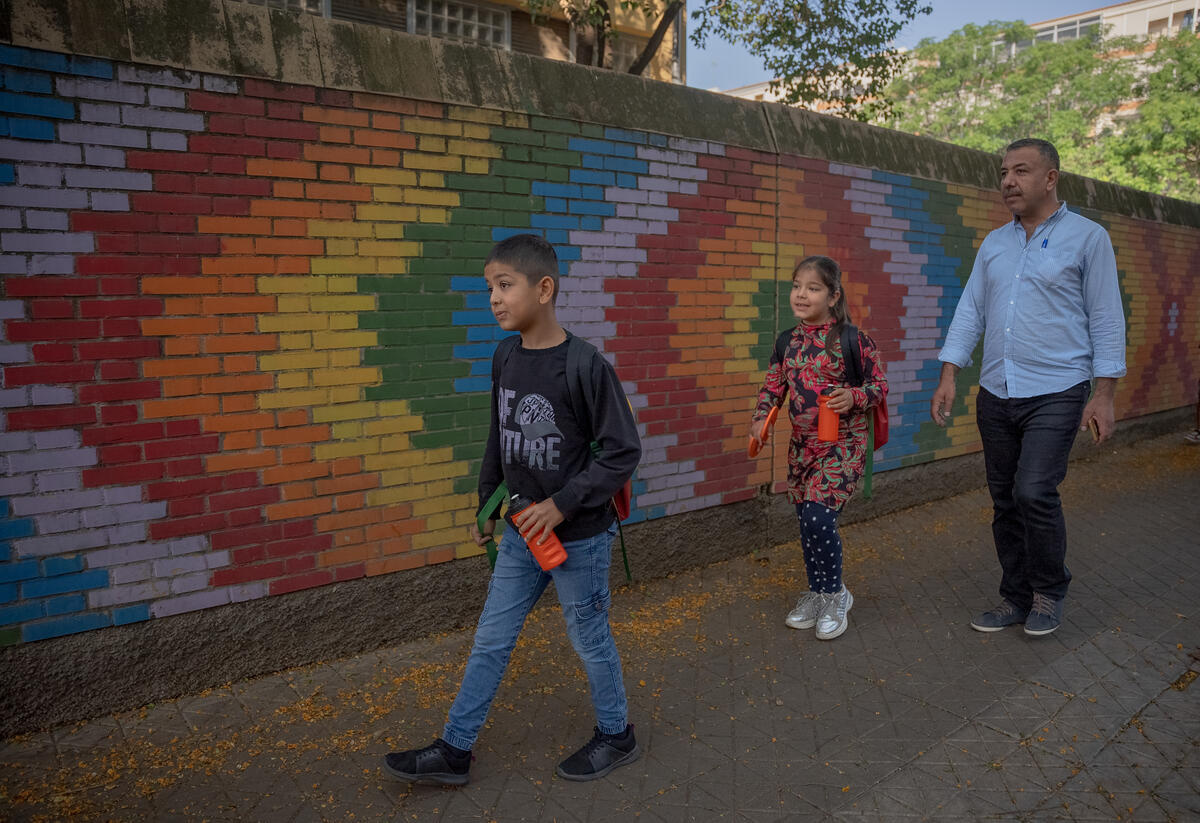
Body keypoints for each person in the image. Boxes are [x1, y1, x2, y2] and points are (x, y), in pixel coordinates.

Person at [383, 234, 642, 784]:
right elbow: (499, 439)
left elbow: (623, 451)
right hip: (521, 534)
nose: (495, 299)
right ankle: (455, 751)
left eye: (505, 286)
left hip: (581, 537)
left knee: (589, 639)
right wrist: (487, 504)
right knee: (491, 639)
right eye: (490, 289)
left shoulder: (585, 365)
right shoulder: (504, 356)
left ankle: (618, 736)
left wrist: (561, 504)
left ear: (543, 289)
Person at [930, 138, 1126, 637]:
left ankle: (1048, 591)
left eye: (1020, 171)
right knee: (1004, 499)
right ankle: (1014, 597)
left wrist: (1104, 393)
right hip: (997, 391)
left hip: (1058, 388)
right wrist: (950, 372)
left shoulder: (1088, 238)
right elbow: (971, 309)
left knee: (1034, 490)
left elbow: (1105, 317)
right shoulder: (995, 243)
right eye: (1003, 173)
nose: (1008, 182)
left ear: (1051, 177)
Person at [751, 255, 888, 641]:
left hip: (842, 445)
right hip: (802, 448)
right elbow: (772, 389)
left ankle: (835, 595)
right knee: (805, 524)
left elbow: (879, 386)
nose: (801, 294)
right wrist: (759, 421)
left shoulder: (852, 340)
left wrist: (854, 397)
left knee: (817, 519)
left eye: (812, 288)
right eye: (797, 286)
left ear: (833, 296)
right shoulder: (786, 342)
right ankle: (816, 592)